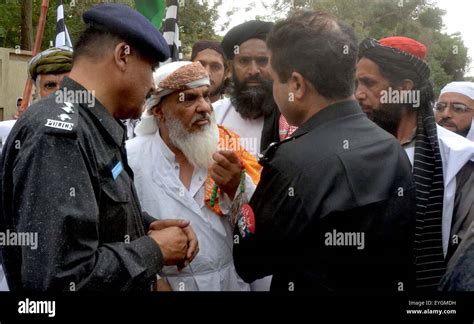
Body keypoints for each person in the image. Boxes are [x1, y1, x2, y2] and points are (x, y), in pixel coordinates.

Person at [0, 3, 198, 292]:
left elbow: (92, 218)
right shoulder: (60, 134)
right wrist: (153, 250)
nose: (153, 87)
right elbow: (59, 282)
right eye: (151, 69)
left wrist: (144, 227)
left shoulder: (92, 123)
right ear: (122, 56)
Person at [233, 11, 416, 293]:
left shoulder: (293, 163)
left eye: (275, 81)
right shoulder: (390, 146)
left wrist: (239, 193)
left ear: (296, 84)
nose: (274, 93)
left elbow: (249, 262)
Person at [129, 61, 261, 291]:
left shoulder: (229, 151)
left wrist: (235, 188)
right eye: (189, 98)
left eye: (206, 96)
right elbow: (119, 233)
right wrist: (154, 281)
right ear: (158, 111)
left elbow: (256, 225)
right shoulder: (130, 158)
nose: (205, 107)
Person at [356, 36, 474, 289]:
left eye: (368, 83)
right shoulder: (350, 146)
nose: (358, 94)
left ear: (404, 89)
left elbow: (463, 249)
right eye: (356, 83)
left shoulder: (459, 156)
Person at [215, 20, 283, 157]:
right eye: (244, 61)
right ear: (230, 67)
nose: (253, 71)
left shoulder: (289, 119)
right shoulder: (215, 114)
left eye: (263, 61)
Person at [0, 47, 73, 154]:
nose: (59, 93)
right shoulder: (21, 135)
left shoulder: (96, 133)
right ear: (37, 91)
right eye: (50, 85)